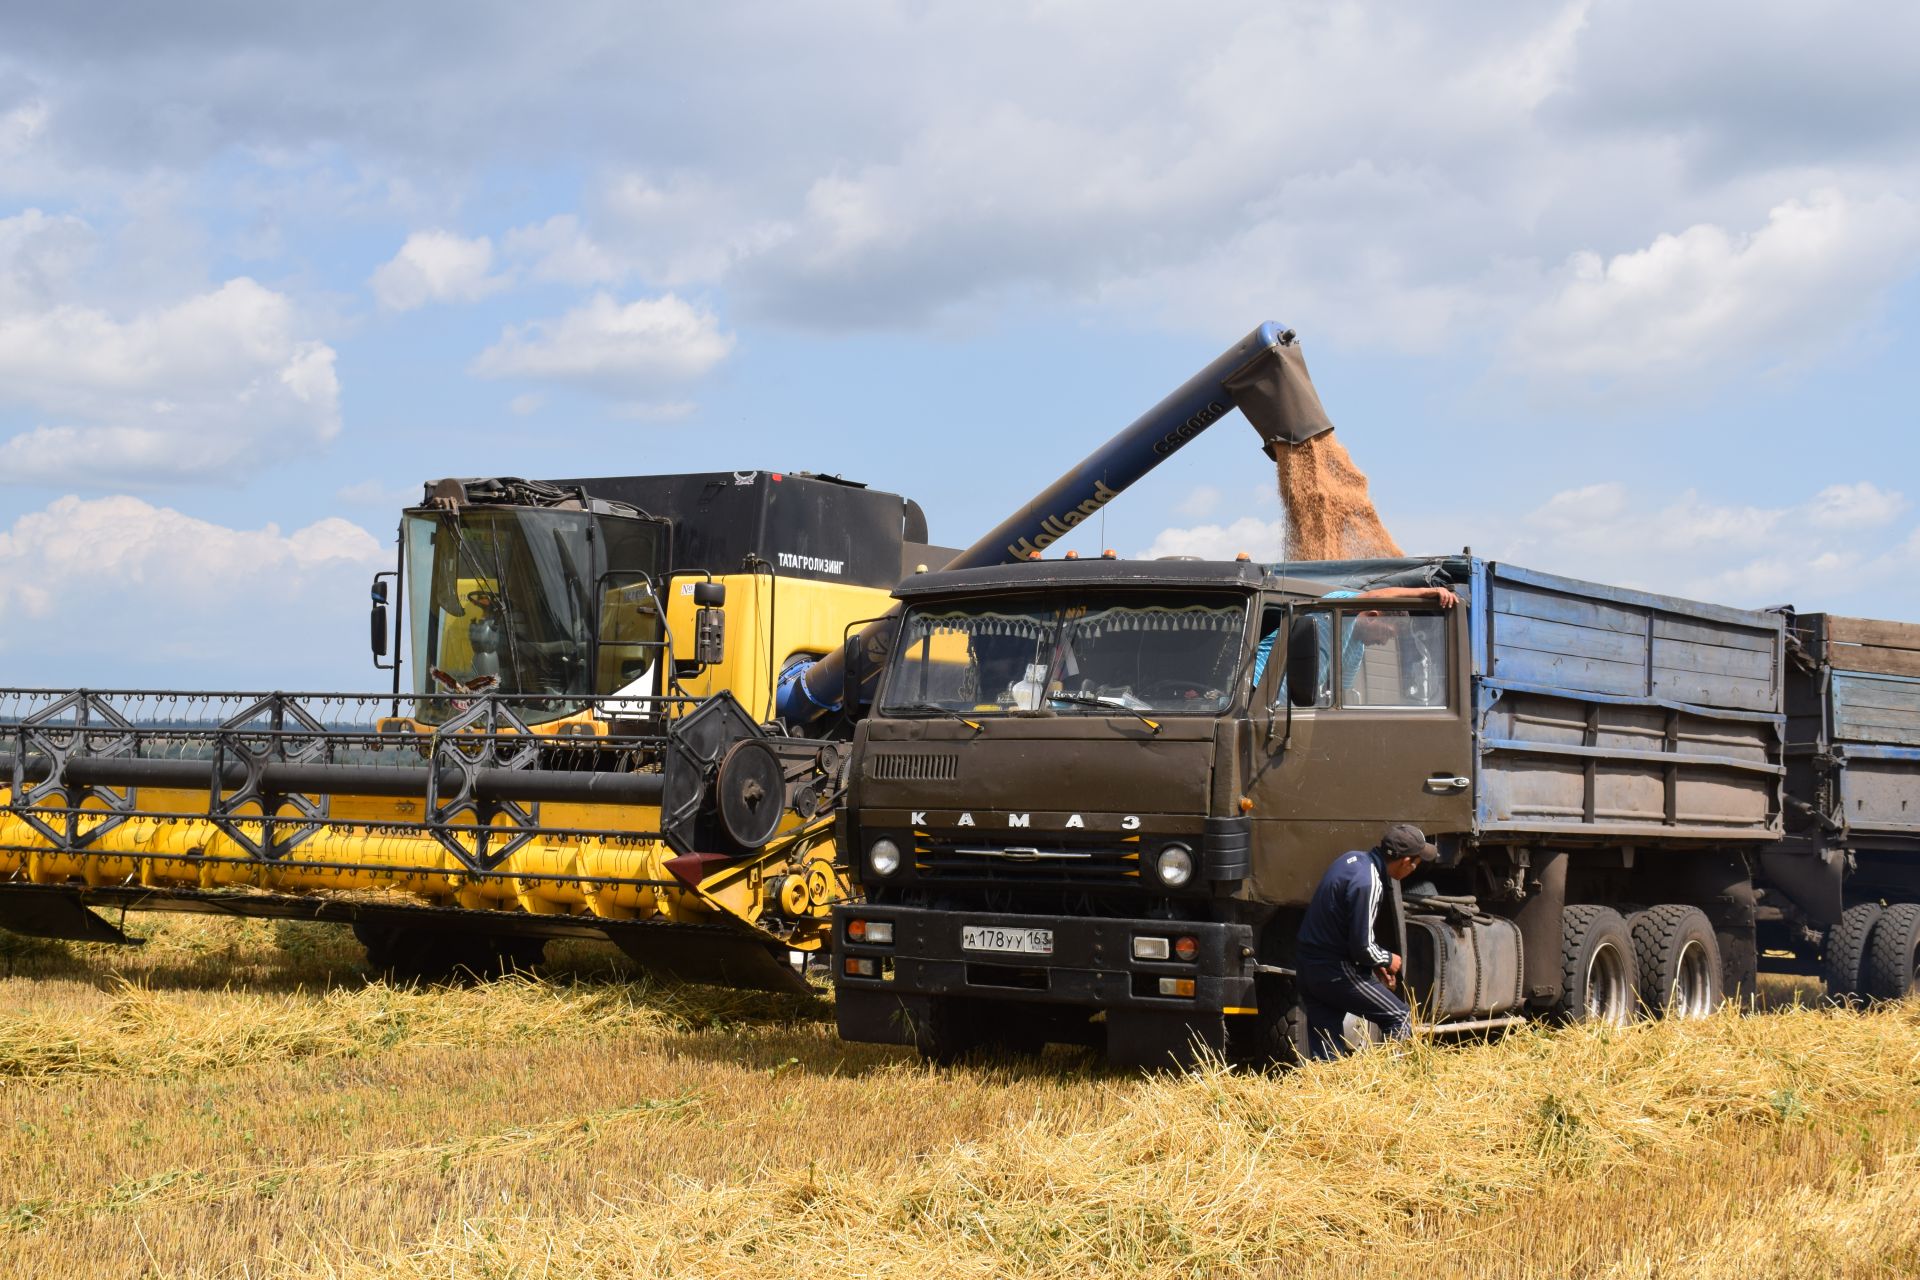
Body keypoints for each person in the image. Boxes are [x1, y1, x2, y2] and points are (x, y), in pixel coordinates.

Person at [1294, 823, 1440, 1059]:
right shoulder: (1369, 882)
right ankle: (1391, 1085)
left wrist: (1374, 963)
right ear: (1405, 862)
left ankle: (1328, 1088)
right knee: (1399, 1016)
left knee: (1327, 1054)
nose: (1414, 869)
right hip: (1334, 970)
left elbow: (1344, 930)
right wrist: (1387, 959)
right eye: (1416, 863)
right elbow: (1362, 947)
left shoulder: (1351, 859)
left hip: (1308, 967)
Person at [1250, 584, 1459, 697]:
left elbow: (1340, 693)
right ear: (1372, 616)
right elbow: (1374, 597)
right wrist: (1427, 591)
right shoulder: (1338, 611)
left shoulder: (1355, 651)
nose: (1383, 642)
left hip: (1282, 709)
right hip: (1254, 690)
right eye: (1386, 633)